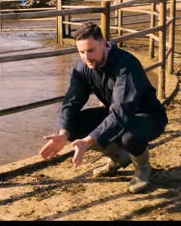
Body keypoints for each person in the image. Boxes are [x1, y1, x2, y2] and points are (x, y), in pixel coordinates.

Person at [38, 22, 168, 193]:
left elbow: (122, 112)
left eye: (91, 50)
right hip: (116, 112)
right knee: (73, 124)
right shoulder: (82, 67)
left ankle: (142, 168)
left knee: (129, 137)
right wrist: (63, 133)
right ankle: (119, 158)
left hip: (147, 115)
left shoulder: (125, 65)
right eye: (81, 52)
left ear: (104, 43)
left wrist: (88, 141)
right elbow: (71, 102)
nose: (86, 57)